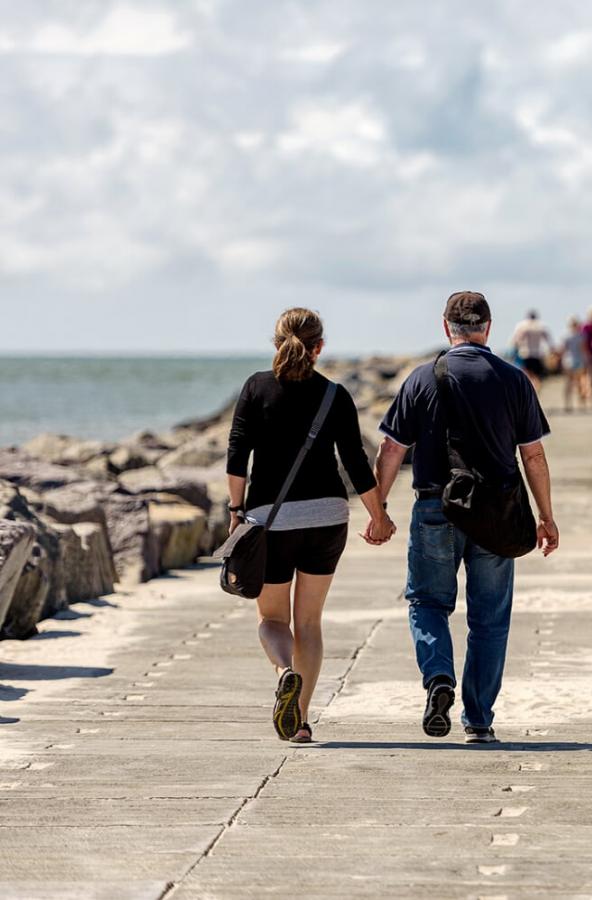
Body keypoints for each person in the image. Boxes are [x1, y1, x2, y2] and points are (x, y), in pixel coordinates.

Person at [373, 291, 560, 743]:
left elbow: (392, 449)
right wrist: (546, 517)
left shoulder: (422, 379)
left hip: (437, 507)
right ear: (489, 329)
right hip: (497, 513)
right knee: (490, 619)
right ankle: (478, 720)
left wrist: (377, 509)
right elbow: (532, 456)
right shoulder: (515, 381)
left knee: (427, 602)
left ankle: (439, 677)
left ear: (446, 328)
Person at [226, 308, 396, 744]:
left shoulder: (255, 388)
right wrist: (378, 514)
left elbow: (236, 456)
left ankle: (284, 673)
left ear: (276, 342)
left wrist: (235, 510)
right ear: (320, 347)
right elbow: (355, 463)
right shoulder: (334, 395)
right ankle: (300, 721)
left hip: (271, 522)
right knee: (310, 623)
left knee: (271, 619)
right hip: (326, 520)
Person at [509, 310, 553, 392]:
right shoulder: (541, 326)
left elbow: (516, 340)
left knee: (528, 374)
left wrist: (516, 346)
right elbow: (548, 340)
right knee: (537, 375)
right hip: (538, 354)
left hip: (526, 353)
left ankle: (532, 390)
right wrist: (551, 350)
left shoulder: (522, 325)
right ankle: (535, 389)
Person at [560, 316, 590, 412]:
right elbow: (583, 349)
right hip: (579, 361)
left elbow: (563, 350)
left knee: (568, 383)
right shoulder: (581, 336)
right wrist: (587, 360)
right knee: (580, 383)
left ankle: (568, 404)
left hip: (568, 361)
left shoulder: (565, 335)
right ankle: (581, 403)